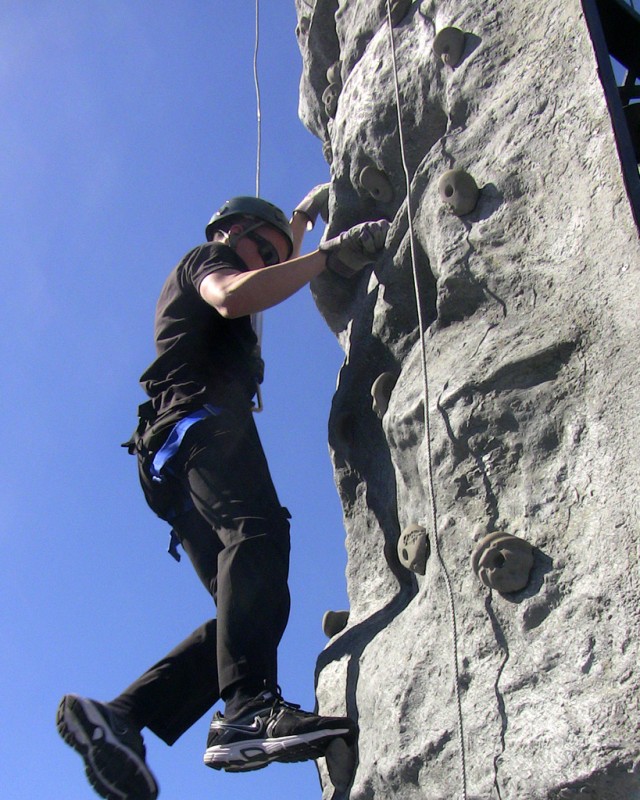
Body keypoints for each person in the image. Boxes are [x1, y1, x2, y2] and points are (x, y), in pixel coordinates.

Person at [56, 185, 389, 800]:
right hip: (200, 425)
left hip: (168, 461)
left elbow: (262, 268)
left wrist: (300, 222)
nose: (263, 259)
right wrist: (327, 257)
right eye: (255, 246)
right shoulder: (206, 264)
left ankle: (123, 717)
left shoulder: (247, 257)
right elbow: (233, 296)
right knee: (259, 532)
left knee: (255, 600)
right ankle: (246, 710)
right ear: (223, 234)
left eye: (273, 253)